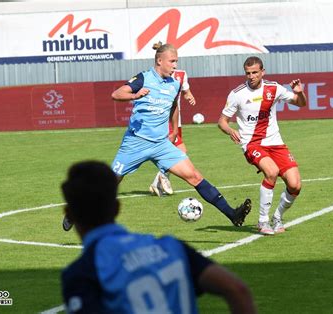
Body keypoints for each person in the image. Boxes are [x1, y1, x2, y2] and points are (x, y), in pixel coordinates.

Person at [60, 160, 257, 314]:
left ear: (70, 213)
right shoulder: (173, 247)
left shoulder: (81, 273)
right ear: (117, 207)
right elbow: (237, 290)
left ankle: (231, 213)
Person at [105, 42, 251, 228]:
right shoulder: (143, 78)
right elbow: (116, 94)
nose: (175, 65)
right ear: (160, 61)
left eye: (176, 61)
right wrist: (135, 96)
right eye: (172, 61)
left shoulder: (175, 84)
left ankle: (233, 214)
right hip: (136, 142)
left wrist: (174, 130)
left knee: (195, 176)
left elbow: (174, 106)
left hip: (161, 145)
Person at [218, 56, 307, 235]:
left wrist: (299, 92)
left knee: (295, 185)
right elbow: (222, 121)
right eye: (248, 73)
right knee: (272, 172)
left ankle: (277, 217)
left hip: (276, 143)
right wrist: (230, 130)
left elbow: (301, 103)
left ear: (262, 72)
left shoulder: (274, 88)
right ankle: (263, 221)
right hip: (252, 143)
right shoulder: (237, 94)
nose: (251, 76)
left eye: (254, 73)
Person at [149, 65, 196, 197]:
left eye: (175, 60)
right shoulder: (155, 75)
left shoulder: (182, 74)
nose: (173, 63)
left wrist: (189, 96)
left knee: (175, 152)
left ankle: (157, 183)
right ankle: (162, 176)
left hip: (176, 122)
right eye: (170, 60)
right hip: (164, 121)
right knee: (181, 151)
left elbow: (186, 91)